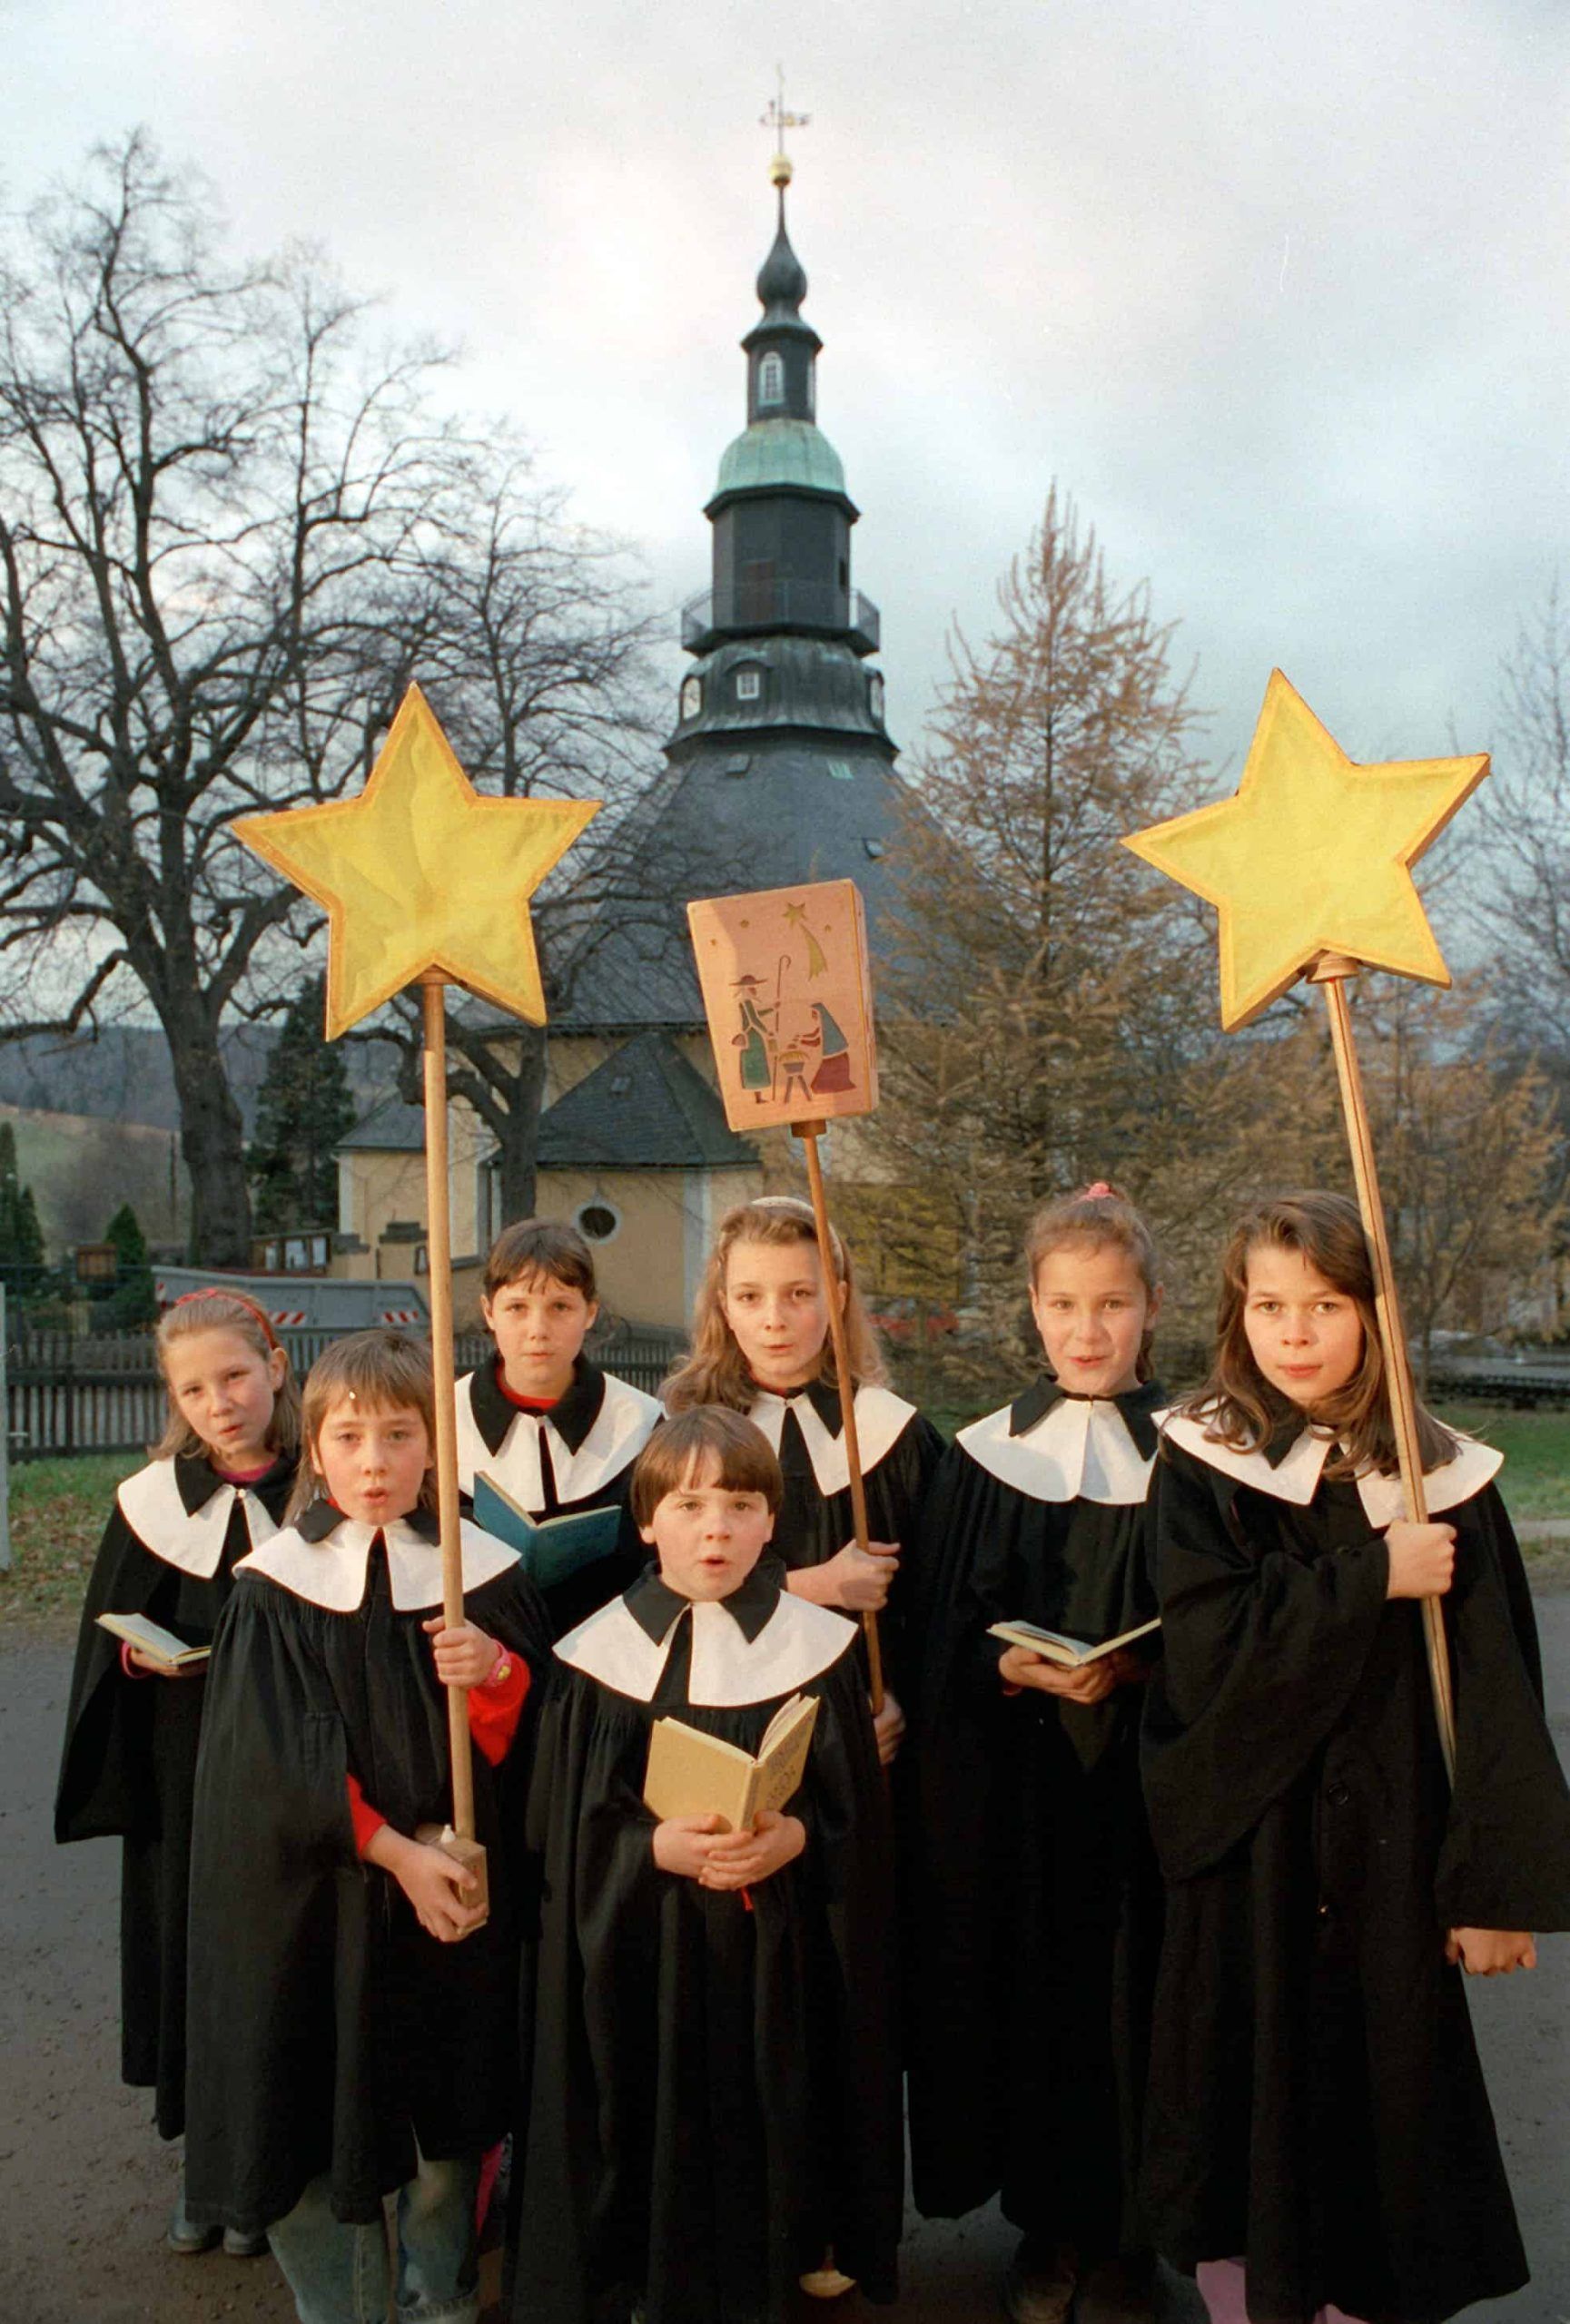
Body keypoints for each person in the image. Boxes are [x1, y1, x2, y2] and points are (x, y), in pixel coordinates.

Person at [1141, 1191, 1570, 2324]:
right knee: (1246, 2095)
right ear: (1238, 1315)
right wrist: (1368, 1577)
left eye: (1325, 1305)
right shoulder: (1202, 1462)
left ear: (1373, 1314)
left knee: (1378, 2098)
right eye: (1270, 1305)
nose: (1295, 1333)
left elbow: (1494, 1697)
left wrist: (1491, 1890)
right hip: (1255, 1849)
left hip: (1395, 1854)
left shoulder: (1443, 1480)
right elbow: (1206, 1647)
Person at [182, 1328, 550, 2324]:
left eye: (399, 1433)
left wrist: (497, 1677)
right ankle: (341, 2311)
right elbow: (272, 1769)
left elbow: (539, 1754)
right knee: (314, 2117)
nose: (375, 1461)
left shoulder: (485, 1578)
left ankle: (439, 2298)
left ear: (436, 1447)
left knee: (446, 2126)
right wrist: (395, 1854)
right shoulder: (273, 1591)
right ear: (315, 1445)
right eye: (349, 1437)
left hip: (452, 1900)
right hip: (321, 1905)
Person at [512, 1405, 903, 2324]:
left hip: (781, 1951)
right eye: (687, 1506)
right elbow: (565, 1833)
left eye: (736, 1504)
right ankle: (644, 2273)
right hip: (648, 1950)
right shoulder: (595, 1658)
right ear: (647, 1521)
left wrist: (796, 1835)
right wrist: (652, 1846)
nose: (714, 1529)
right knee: (650, 2112)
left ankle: (797, 2251)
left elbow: (856, 1815)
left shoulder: (821, 1649)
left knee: (782, 2097)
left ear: (773, 1520)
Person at [907, 1186, 1167, 2324]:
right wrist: (998, 1667)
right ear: (1031, 1307)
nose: (1087, 1330)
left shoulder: (1196, 1458)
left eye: (1111, 1304)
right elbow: (932, 1635)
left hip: (1147, 1800)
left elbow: (1223, 1624)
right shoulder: (980, 1458)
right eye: (1064, 1304)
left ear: (1149, 1309)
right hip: (1014, 1798)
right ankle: (1047, 2235)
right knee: (1029, 2008)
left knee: (1138, 2011)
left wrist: (1146, 1669)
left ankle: (1129, 2242)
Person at [54, 1288, 301, 2259]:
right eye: (193, 1388)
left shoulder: (328, 1486)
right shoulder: (150, 1503)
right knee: (197, 1961)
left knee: (286, 1958)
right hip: (185, 1770)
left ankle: (282, 2171)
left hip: (293, 1773)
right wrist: (136, 1658)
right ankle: (209, 2175)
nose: (220, 1403)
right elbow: (101, 1644)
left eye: (236, 1376)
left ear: (276, 1366)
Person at [664, 1195, 942, 1764]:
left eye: (800, 1294)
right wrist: (819, 1585)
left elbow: (938, 1611)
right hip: (723, 1722)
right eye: (749, 1297)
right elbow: (657, 1595)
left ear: (837, 1298)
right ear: (724, 1305)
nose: (774, 1320)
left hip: (866, 1727)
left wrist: (902, 1701)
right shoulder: (679, 1440)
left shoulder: (893, 1435)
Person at [455, 1217, 662, 1636]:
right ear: (489, 1312)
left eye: (560, 1307)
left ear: (590, 1312)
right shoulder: (441, 1424)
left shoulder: (640, 1423)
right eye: (517, 1308)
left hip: (610, 1658)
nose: (538, 1331)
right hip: (479, 1666)